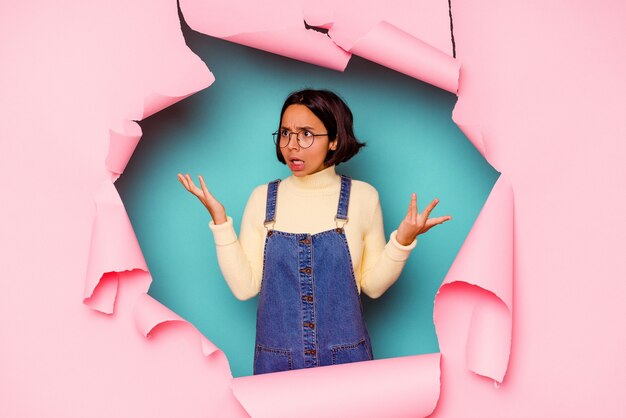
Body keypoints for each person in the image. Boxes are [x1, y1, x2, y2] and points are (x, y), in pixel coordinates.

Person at [177, 89, 451, 375]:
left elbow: (372, 286)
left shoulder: (363, 197)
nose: (292, 145)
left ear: (334, 140)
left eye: (306, 134)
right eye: (285, 133)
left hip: (347, 361)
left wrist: (403, 241)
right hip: (277, 364)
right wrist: (221, 223)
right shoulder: (262, 199)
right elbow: (244, 288)